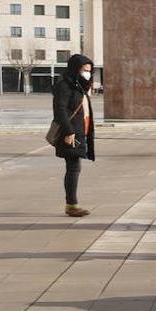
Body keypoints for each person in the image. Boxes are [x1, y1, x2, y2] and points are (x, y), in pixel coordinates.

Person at [52, 54, 95, 218]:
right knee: (73, 167)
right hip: (70, 133)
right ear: (75, 69)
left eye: (89, 71)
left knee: (74, 167)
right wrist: (69, 131)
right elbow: (60, 110)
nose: (88, 74)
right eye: (85, 70)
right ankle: (71, 205)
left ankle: (71, 203)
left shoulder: (78, 85)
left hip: (79, 131)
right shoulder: (65, 85)